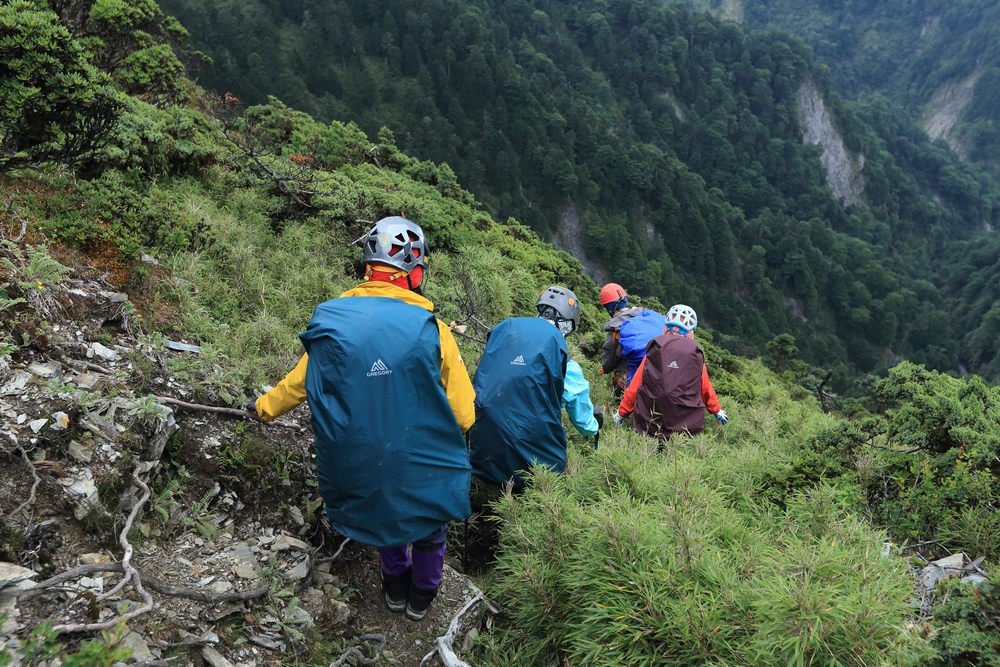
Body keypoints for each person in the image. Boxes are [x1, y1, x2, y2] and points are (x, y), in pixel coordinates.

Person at [246, 216, 476, 622]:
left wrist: (261, 408)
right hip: (416, 458)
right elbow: (463, 415)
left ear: (369, 269)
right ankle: (420, 598)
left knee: (382, 517)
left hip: (357, 461)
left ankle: (392, 587)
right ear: (413, 270)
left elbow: (298, 384)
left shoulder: (333, 324)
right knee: (429, 526)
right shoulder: (434, 330)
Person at [469, 286, 601, 491]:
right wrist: (596, 425)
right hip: (530, 466)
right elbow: (583, 422)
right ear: (569, 325)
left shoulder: (506, 338)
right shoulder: (568, 366)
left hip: (483, 451)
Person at [614, 304, 728, 441]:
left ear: (665, 328)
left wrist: (622, 413)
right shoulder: (694, 354)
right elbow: (705, 389)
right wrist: (716, 410)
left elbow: (635, 387)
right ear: (691, 332)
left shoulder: (655, 348)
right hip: (684, 431)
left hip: (648, 426)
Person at [598, 283, 643, 398]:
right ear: (626, 301)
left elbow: (609, 358)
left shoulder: (616, 330)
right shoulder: (643, 317)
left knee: (620, 403)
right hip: (653, 371)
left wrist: (606, 368)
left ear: (609, 309)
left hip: (629, 376)